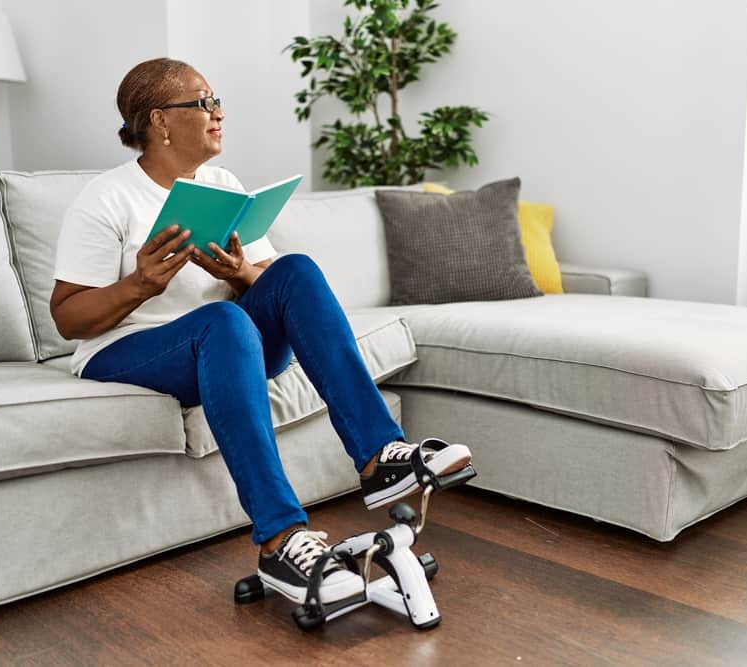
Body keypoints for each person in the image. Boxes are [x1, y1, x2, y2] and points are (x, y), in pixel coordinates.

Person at [50, 58, 472, 605]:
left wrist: (240, 273)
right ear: (159, 120)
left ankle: (378, 459)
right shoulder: (107, 197)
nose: (218, 112)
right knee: (222, 319)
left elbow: (271, 286)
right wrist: (141, 284)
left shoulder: (222, 185)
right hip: (129, 351)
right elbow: (66, 317)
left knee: (294, 269)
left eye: (217, 100)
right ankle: (280, 538)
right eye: (203, 103)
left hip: (230, 349)